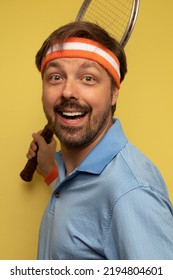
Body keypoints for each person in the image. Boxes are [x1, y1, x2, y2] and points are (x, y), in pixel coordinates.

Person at [27, 21, 173, 260]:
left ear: (114, 93)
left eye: (88, 78)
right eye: (55, 77)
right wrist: (53, 174)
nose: (67, 91)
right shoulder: (77, 172)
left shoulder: (131, 193)